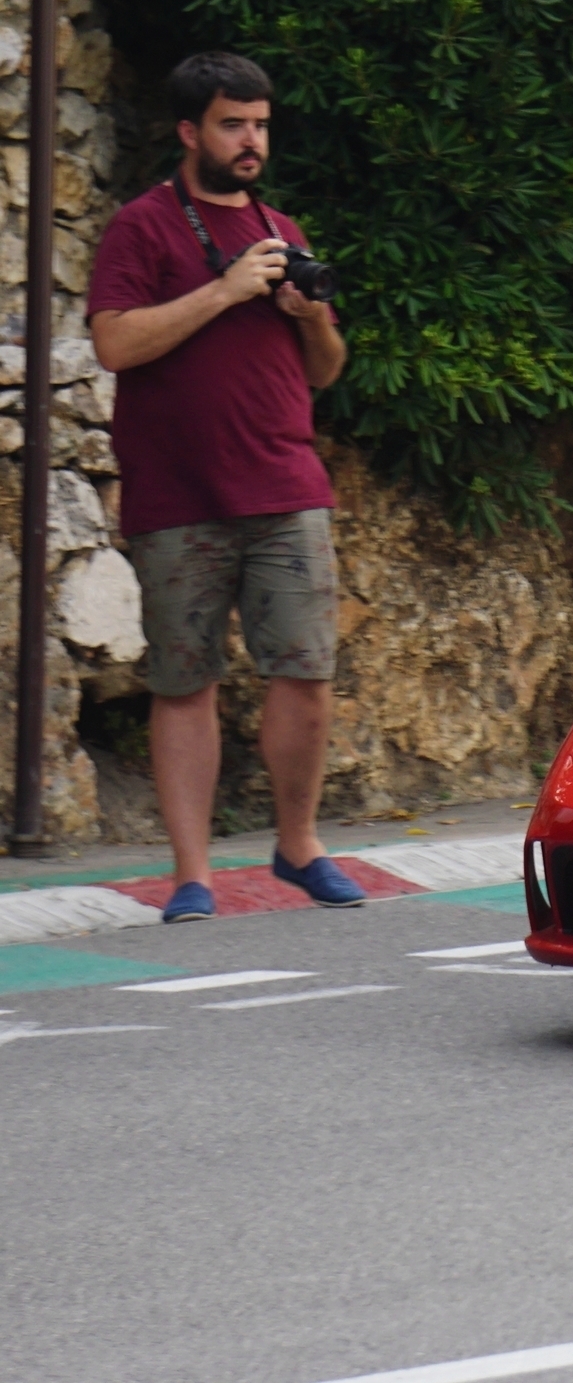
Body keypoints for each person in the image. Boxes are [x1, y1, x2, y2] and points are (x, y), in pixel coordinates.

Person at [86, 52, 362, 922]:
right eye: (234, 124)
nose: (252, 141)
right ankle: (193, 874)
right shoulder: (142, 227)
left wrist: (306, 313)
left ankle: (299, 845)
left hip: (286, 483)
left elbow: (328, 370)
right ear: (189, 132)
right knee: (183, 681)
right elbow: (115, 344)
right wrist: (223, 289)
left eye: (261, 124)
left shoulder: (283, 229)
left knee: (306, 671)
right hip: (180, 494)